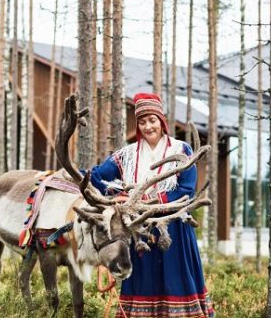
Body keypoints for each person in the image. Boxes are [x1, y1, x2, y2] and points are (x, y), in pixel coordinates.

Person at [88, 92, 214, 317]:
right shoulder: (126, 155)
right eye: (142, 122)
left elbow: (186, 190)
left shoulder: (181, 150)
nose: (148, 127)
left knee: (176, 281)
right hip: (140, 233)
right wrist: (72, 178)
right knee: (143, 283)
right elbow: (97, 177)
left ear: (162, 121)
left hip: (173, 229)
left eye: (152, 120)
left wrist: (150, 201)